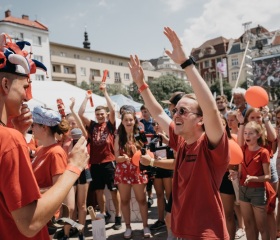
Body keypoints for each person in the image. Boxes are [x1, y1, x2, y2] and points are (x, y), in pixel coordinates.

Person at [130, 27, 229, 239]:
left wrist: (185, 62)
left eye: (183, 111)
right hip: (182, 229)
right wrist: (141, 84)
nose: (176, 114)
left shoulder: (211, 145)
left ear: (200, 119)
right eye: (175, 110)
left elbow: (210, 108)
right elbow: (157, 112)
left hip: (207, 233)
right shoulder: (182, 141)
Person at [0, 33, 89, 240]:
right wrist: (74, 166)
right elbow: (30, 223)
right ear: (5, 85)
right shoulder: (9, 140)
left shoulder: (13, 138)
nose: (27, 96)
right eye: (24, 86)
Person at [78, 82, 122, 230]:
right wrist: (86, 97)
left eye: (102, 114)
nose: (100, 116)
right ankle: (103, 214)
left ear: (106, 115)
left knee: (114, 190)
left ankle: (118, 216)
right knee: (98, 191)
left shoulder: (110, 124)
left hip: (109, 162)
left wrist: (105, 92)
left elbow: (112, 108)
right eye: (98, 114)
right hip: (95, 163)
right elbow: (80, 113)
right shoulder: (92, 125)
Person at [114, 110, 152, 239]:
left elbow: (147, 155)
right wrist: (122, 158)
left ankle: (145, 226)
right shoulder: (119, 136)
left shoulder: (140, 134)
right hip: (123, 171)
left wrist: (137, 153)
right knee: (124, 200)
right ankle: (128, 227)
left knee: (142, 200)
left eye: (131, 120)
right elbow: (116, 157)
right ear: (122, 122)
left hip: (137, 171)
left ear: (134, 121)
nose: (129, 122)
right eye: (126, 120)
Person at [236, 120, 271, 240]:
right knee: (248, 224)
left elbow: (268, 176)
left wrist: (253, 178)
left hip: (258, 191)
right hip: (243, 189)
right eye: (245, 133)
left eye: (250, 133)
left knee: (262, 227)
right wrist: (235, 175)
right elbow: (240, 171)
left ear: (258, 135)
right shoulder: (242, 149)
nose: (247, 136)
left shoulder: (263, 152)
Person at [149, 121, 173, 231]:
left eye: (158, 123)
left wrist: (164, 160)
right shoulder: (153, 139)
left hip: (168, 168)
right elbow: (150, 153)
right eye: (154, 124)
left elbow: (173, 154)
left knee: (169, 195)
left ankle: (173, 218)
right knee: (159, 195)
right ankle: (160, 220)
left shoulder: (169, 138)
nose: (157, 126)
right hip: (157, 168)